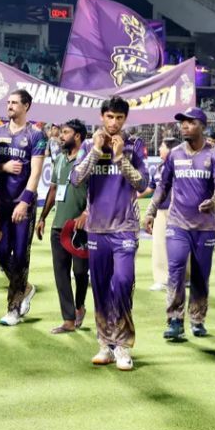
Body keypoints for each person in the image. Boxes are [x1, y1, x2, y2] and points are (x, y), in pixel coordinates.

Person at [70, 95, 148, 371]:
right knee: (101, 287)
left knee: (124, 282)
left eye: (119, 118)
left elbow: (142, 184)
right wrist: (96, 151)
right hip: (97, 229)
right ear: (102, 117)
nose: (114, 123)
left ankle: (124, 347)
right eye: (110, 117)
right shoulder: (90, 144)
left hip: (125, 228)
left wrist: (119, 157)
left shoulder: (134, 145)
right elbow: (76, 178)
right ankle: (105, 344)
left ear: (125, 119)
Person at [144, 107, 215, 340]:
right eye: (182, 123)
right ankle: (174, 320)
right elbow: (163, 185)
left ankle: (198, 319)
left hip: (205, 227)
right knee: (176, 269)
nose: (184, 126)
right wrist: (150, 211)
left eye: (190, 122)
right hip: (178, 223)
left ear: (202, 125)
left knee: (201, 275)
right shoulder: (175, 154)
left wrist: (214, 202)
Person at [0, 90, 47, 326]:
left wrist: (24, 201)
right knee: (0, 251)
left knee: (21, 255)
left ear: (26, 106)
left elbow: (36, 172)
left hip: (24, 204)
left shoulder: (36, 135)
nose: (9, 106)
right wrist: (3, 168)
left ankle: (13, 309)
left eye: (14, 103)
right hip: (0, 204)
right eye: (8, 102)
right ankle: (25, 287)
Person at [36, 119, 89, 333]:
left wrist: (86, 214)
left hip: (80, 228)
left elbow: (98, 191)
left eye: (65, 132)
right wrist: (43, 217)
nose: (61, 136)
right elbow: (52, 190)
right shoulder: (58, 160)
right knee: (61, 274)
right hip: (59, 226)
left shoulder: (89, 160)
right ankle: (68, 320)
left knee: (80, 271)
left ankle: (79, 306)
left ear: (77, 136)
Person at [147, 137, 177, 290]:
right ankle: (162, 279)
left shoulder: (180, 166)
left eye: (162, 146)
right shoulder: (159, 167)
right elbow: (152, 189)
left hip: (178, 211)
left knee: (181, 244)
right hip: (161, 210)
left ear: (170, 149)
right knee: (159, 244)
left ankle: (185, 278)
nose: (159, 149)